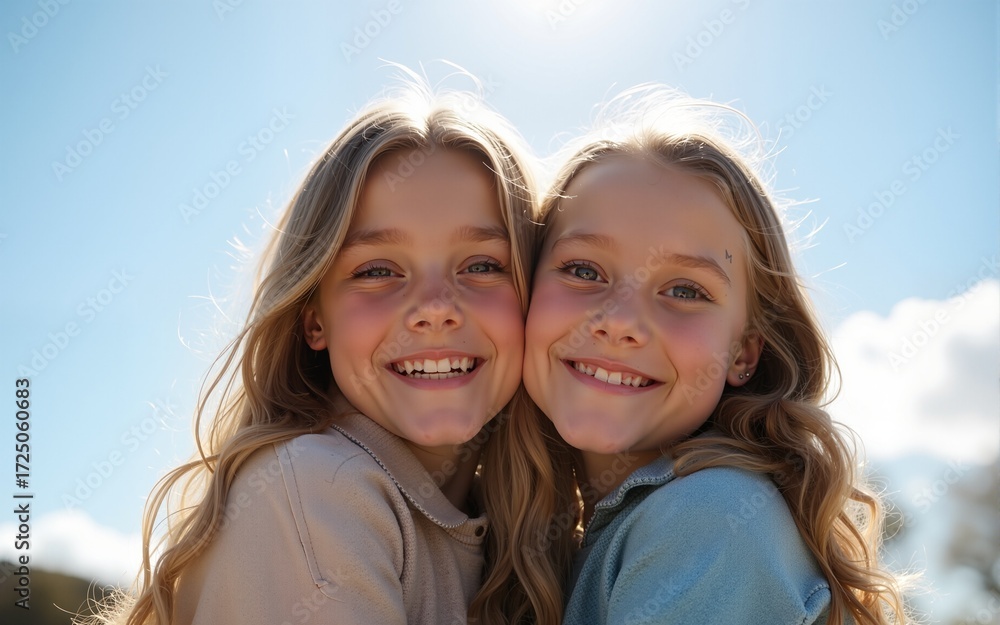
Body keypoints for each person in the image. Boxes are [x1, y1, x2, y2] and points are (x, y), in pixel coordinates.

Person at [89, 70, 575, 625]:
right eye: (377, 271)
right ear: (314, 320)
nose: (436, 307)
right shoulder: (318, 487)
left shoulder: (512, 527)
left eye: (483, 265)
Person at [521, 86, 909, 624]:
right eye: (583, 270)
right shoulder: (568, 536)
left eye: (685, 290)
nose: (619, 321)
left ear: (744, 353)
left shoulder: (710, 518)